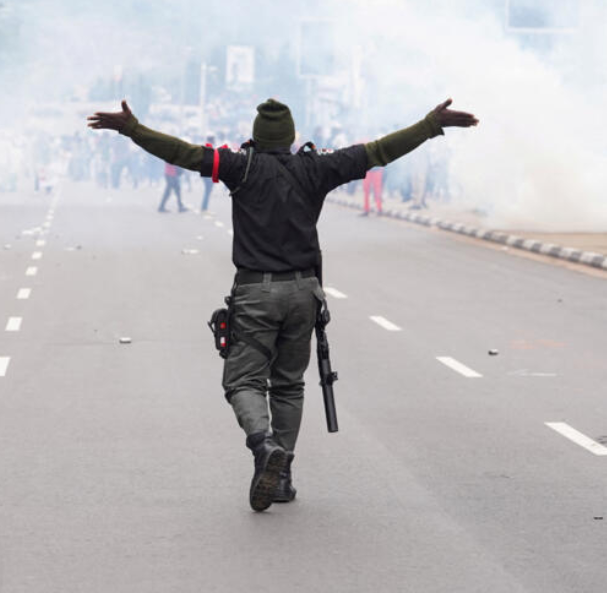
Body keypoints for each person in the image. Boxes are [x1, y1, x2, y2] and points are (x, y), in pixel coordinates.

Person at [89, 97, 478, 512]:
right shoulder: (317, 168)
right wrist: (430, 124)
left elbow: (182, 153)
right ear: (292, 138)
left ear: (255, 137)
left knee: (242, 382)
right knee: (289, 384)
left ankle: (263, 445)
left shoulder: (241, 168)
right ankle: (283, 476)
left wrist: (132, 128)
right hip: (304, 294)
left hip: (256, 292)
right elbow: (380, 150)